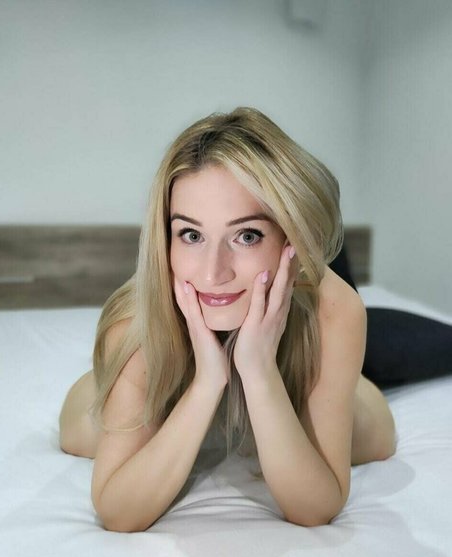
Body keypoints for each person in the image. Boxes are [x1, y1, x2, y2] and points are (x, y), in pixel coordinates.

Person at [58, 106, 396, 533]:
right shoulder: (136, 322)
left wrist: (258, 370)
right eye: (191, 235)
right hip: (170, 361)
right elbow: (118, 512)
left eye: (246, 235)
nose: (213, 273)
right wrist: (207, 382)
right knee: (79, 434)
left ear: (290, 238)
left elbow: (315, 509)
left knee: (375, 439)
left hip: (297, 323)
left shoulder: (335, 310)